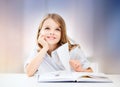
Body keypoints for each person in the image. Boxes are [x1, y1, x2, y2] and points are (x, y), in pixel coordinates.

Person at [24, 13, 93, 77]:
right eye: (47, 28)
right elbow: (29, 73)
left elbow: (91, 72)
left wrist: (80, 70)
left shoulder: (73, 50)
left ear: (62, 33)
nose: (52, 32)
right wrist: (45, 48)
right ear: (40, 32)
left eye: (57, 29)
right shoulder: (37, 51)